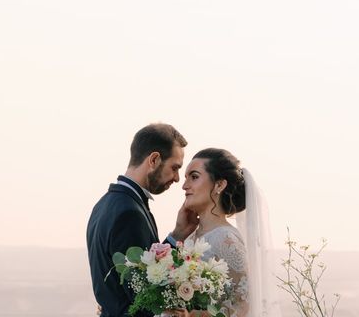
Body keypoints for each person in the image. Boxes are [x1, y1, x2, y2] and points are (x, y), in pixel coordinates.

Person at [87, 123, 199, 317]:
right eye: (175, 168)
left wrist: (177, 235)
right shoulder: (129, 214)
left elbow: (142, 275)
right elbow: (143, 299)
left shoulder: (105, 204)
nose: (177, 178)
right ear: (154, 160)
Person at [165, 148, 282, 317]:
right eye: (186, 178)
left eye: (194, 177)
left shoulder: (226, 239)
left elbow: (242, 307)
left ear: (219, 184)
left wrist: (191, 316)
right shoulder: (191, 236)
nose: (184, 186)